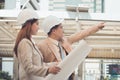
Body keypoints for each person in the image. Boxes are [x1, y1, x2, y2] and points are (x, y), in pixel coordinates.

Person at [37, 15, 105, 80]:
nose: (63, 30)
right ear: (54, 31)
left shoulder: (65, 41)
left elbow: (81, 34)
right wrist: (51, 65)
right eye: (61, 27)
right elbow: (35, 67)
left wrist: (97, 27)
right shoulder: (41, 46)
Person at [13, 10, 61, 80]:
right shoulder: (25, 43)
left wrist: (53, 64)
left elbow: (39, 65)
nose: (38, 27)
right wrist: (48, 70)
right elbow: (28, 67)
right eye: (37, 24)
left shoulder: (31, 43)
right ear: (29, 24)